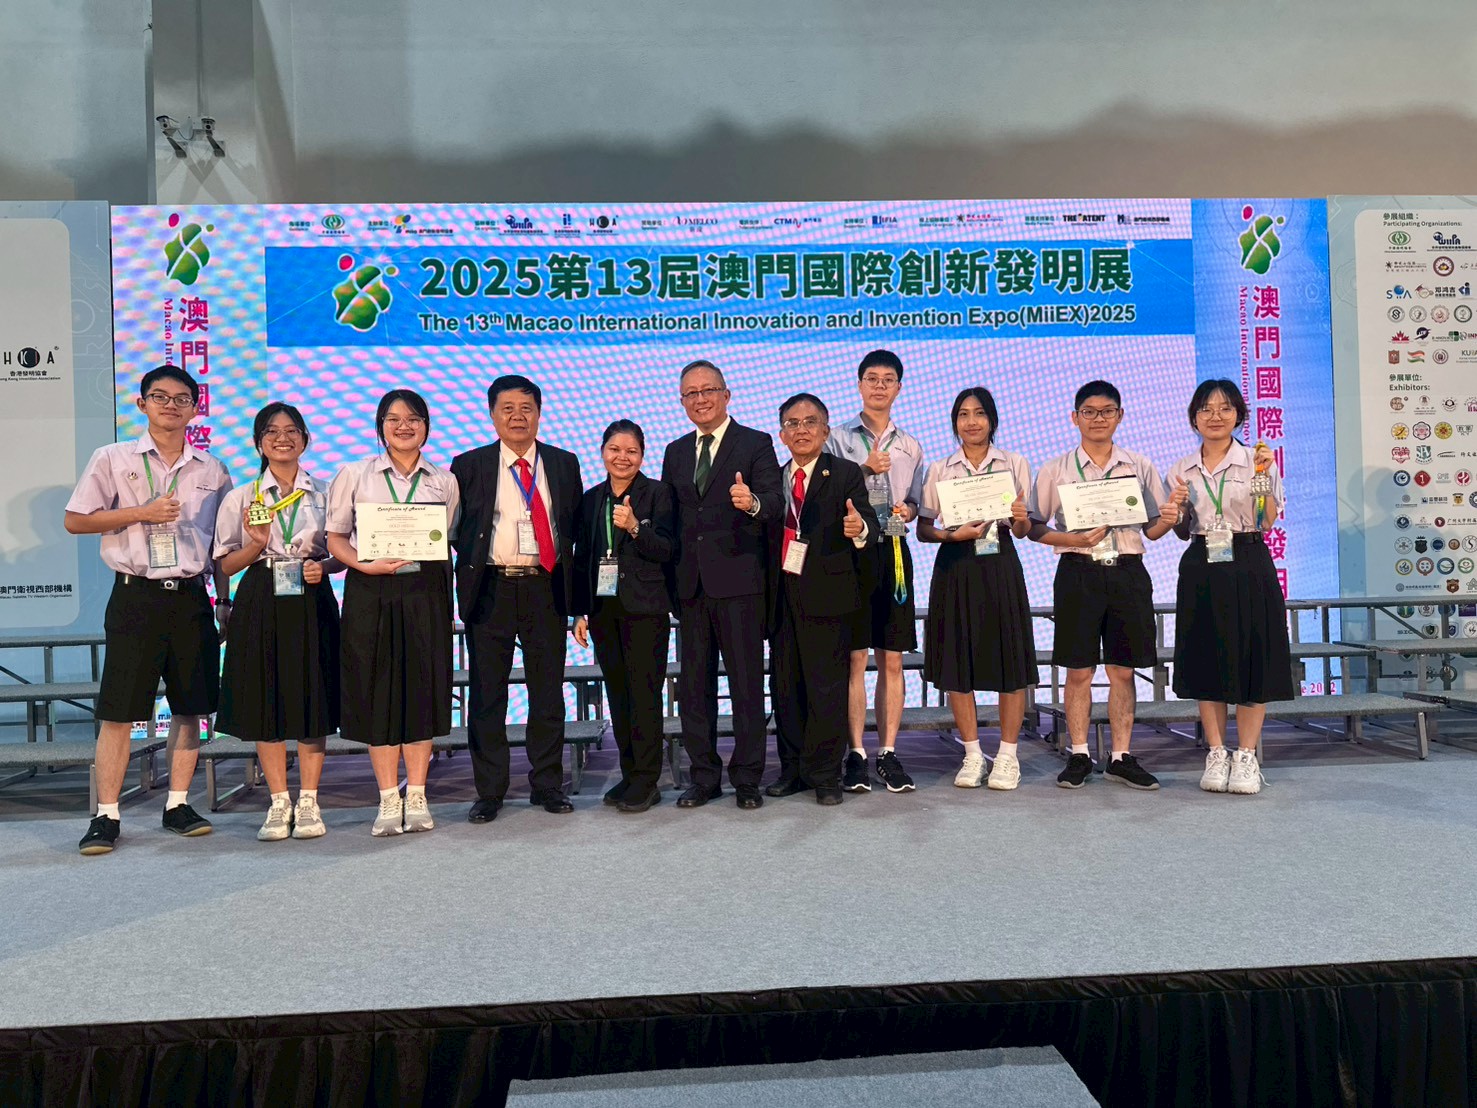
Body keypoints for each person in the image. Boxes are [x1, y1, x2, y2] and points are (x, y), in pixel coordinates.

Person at [65, 364, 232, 855]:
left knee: (190, 706)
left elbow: (221, 546)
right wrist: (141, 513)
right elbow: (76, 520)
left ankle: (177, 805)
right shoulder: (113, 458)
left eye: (182, 399)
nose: (170, 405)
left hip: (191, 598)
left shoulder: (213, 469)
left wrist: (223, 600)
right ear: (142, 404)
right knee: (119, 711)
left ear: (195, 408)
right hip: (135, 595)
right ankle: (106, 814)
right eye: (160, 397)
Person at [1027, 380, 1182, 791]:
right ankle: (1079, 753)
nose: (1098, 419)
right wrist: (1073, 539)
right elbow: (1033, 527)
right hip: (1078, 571)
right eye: (1090, 412)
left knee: (1122, 670)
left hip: (1127, 571)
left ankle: (1120, 756)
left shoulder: (1139, 465)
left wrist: (1170, 518)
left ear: (1120, 416)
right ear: (1074, 417)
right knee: (1078, 670)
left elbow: (1152, 529)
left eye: (1107, 411)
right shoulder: (1056, 468)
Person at [326, 389, 459, 836]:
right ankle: (387, 798)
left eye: (414, 418)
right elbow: (335, 538)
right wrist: (365, 564)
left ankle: (417, 794)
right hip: (371, 589)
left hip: (425, 591)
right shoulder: (355, 474)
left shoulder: (443, 479)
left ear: (426, 426)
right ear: (380, 426)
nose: (404, 426)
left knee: (422, 689)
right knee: (377, 690)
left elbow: (446, 536)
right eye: (394, 419)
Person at [452, 375, 582, 822]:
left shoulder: (563, 463)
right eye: (507, 408)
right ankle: (490, 791)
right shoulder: (468, 464)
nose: (517, 416)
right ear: (492, 415)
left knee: (547, 691)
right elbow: (459, 531)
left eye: (526, 408)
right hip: (492, 587)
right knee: (488, 693)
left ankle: (547, 784)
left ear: (539, 414)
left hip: (546, 586)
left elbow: (573, 530)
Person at [214, 403, 341, 840]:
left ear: (305, 439)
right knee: (264, 698)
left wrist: (324, 567)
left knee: (312, 696)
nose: (282, 438)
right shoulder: (242, 497)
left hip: (311, 594)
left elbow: (343, 550)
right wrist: (256, 545)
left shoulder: (325, 492)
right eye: (271, 431)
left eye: (291, 431)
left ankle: (309, 801)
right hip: (260, 594)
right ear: (259, 442)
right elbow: (225, 565)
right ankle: (279, 801)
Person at [661, 359, 783, 810]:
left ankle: (747, 777)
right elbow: (672, 519)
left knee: (747, 687)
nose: (701, 399)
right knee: (695, 690)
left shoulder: (755, 442)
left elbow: (775, 501)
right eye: (691, 394)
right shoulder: (675, 451)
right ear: (682, 402)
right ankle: (704, 777)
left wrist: (751, 502)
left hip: (740, 586)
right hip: (691, 589)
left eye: (708, 390)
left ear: (726, 395)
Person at [1165, 379, 1292, 796]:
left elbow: (1267, 520)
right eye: (1205, 409)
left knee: (1253, 655)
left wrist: (1263, 477)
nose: (1215, 416)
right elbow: (1181, 530)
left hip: (1249, 559)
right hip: (1202, 563)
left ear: (1239, 414)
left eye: (1224, 408)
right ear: (1194, 418)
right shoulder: (1182, 468)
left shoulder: (1257, 460)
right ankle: (1217, 752)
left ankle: (1247, 755)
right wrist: (1177, 510)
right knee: (1207, 658)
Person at [917, 388, 1036, 790]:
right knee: (957, 660)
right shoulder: (940, 468)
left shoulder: (1014, 463)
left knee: (1009, 659)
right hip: (956, 564)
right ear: (955, 422)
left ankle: (1007, 756)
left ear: (992, 420)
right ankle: (971, 754)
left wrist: (1019, 518)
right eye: (963, 414)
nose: (971, 422)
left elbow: (1023, 529)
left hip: (999, 560)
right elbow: (924, 528)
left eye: (979, 413)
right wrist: (952, 535)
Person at [764, 395, 876, 805]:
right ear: (782, 435)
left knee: (826, 688)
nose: (801, 430)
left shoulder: (844, 473)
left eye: (810, 422)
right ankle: (792, 770)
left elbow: (869, 524)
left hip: (828, 596)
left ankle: (826, 774)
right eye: (792, 424)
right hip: (782, 595)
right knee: (786, 687)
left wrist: (859, 527)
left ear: (826, 431)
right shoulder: (772, 479)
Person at [824, 349, 926, 794]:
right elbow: (825, 492)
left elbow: (917, 500)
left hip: (895, 552)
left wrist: (909, 510)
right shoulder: (837, 439)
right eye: (871, 378)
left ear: (898, 388)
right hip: (852, 552)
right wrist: (864, 469)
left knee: (892, 658)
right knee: (854, 658)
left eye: (888, 379)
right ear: (859, 384)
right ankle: (855, 753)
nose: (879, 385)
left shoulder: (911, 445)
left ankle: (887, 751)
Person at [572, 420, 678, 814]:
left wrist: (635, 528)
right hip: (604, 609)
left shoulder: (658, 494)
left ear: (642, 456)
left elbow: (667, 549)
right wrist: (580, 610)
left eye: (631, 451)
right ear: (602, 452)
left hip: (646, 609)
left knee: (644, 696)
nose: (622, 457)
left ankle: (647, 780)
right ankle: (630, 773)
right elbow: (584, 557)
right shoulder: (591, 499)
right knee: (618, 695)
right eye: (615, 449)